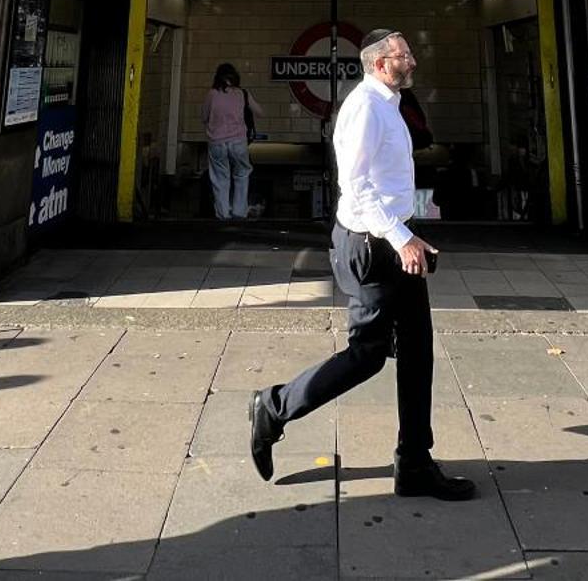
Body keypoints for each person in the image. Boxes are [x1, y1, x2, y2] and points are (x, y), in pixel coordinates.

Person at [249, 29, 474, 501]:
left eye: (410, 52)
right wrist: (399, 237)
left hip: (394, 238)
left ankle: (413, 462)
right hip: (370, 246)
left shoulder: (389, 103)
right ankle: (274, 406)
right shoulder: (366, 107)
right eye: (403, 55)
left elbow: (385, 184)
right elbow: (356, 187)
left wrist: (408, 233)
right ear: (378, 63)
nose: (412, 60)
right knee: (368, 354)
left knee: (417, 350)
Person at [203, 63, 255, 221]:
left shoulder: (211, 94)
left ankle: (223, 214)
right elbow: (260, 111)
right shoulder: (241, 93)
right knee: (242, 173)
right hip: (238, 141)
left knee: (220, 178)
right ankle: (239, 212)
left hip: (217, 142)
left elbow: (204, 117)